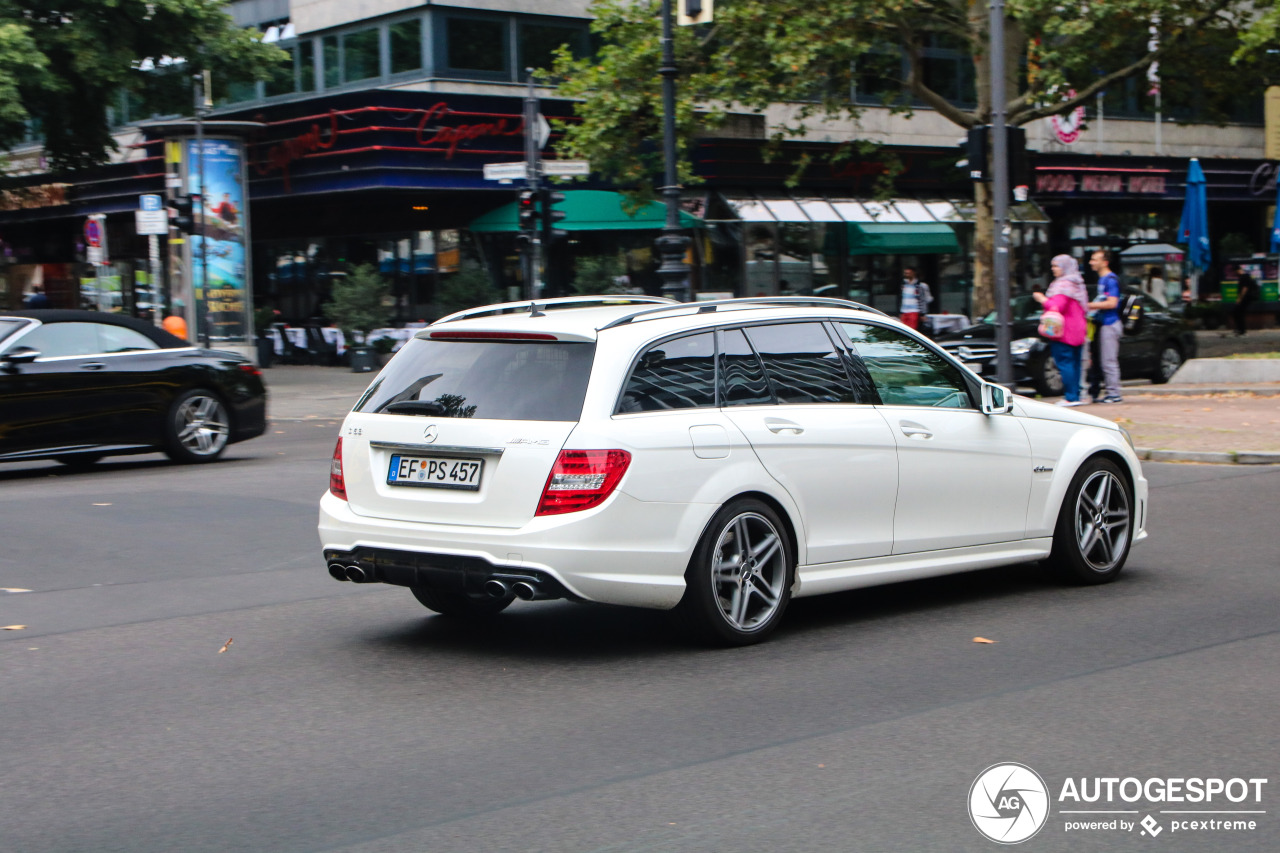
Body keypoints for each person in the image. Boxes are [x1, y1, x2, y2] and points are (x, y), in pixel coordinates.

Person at [1034, 255, 1089, 406]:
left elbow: (1056, 306)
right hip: (1079, 329)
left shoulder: (1062, 285)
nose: (1053, 269)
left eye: (1057, 266)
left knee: (1065, 363)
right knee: (1076, 363)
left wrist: (1041, 299)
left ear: (1065, 267)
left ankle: (1071, 397)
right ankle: (1077, 395)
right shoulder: (1077, 283)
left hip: (1063, 331)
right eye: (1053, 266)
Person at [1087, 249, 1124, 404]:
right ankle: (1111, 392)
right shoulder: (1103, 280)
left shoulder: (1110, 279)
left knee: (1109, 361)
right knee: (1106, 360)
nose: (1091, 262)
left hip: (1110, 323)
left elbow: (1112, 302)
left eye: (1095, 259)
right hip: (1105, 324)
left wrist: (1088, 305)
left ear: (1105, 262)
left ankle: (1114, 394)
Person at [897, 267, 932, 331]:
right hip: (904, 311)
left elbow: (924, 300)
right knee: (904, 330)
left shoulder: (920, 286)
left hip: (914, 311)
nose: (906, 274)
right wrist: (900, 312)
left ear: (913, 273)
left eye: (908, 273)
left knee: (911, 330)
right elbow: (902, 299)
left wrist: (923, 313)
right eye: (905, 273)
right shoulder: (903, 285)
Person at [1234, 271, 1258, 336]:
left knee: (1238, 312)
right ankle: (1240, 329)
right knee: (1238, 312)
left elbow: (1245, 288)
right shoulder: (1245, 276)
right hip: (1247, 298)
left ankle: (1241, 330)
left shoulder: (1244, 277)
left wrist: (1240, 299)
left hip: (1246, 298)